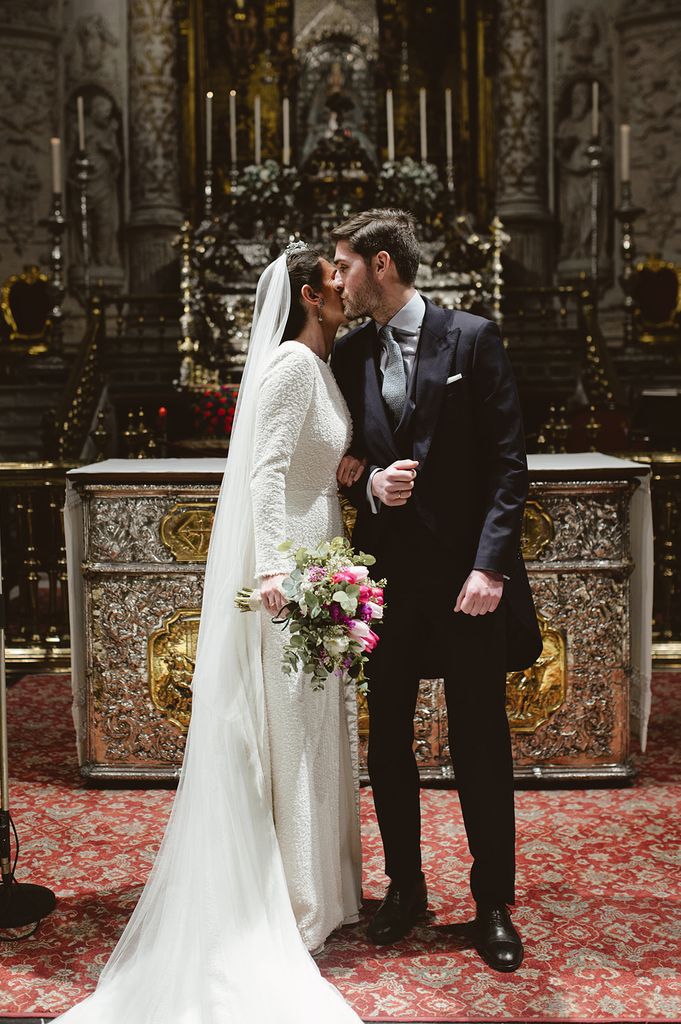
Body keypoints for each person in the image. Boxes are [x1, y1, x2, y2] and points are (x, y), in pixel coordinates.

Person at [54, 245, 364, 1023]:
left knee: (316, 729)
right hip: (290, 575)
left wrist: (342, 474)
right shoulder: (293, 365)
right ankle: (292, 901)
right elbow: (261, 472)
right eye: (334, 276)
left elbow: (301, 462)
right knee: (288, 732)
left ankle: (320, 889)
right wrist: (273, 573)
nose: (346, 284)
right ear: (307, 294)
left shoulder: (318, 362)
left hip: (319, 556)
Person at [330, 208, 542, 974]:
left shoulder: (473, 337)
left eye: (345, 265)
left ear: (382, 264)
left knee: (479, 742)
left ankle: (492, 903)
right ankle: (406, 889)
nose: (338, 278)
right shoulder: (350, 351)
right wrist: (367, 486)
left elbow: (509, 464)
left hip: (465, 584)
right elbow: (342, 459)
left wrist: (489, 567)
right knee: (386, 741)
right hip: (386, 583)